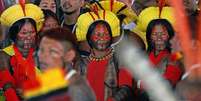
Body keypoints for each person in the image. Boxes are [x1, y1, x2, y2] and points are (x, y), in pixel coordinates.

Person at [75, 10, 137, 101]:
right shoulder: (81, 64)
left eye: (106, 34)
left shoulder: (120, 59)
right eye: (97, 34)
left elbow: (126, 88)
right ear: (89, 38)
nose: (102, 38)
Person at [37, 27, 96, 101]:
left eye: (52, 51)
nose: (43, 56)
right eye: (41, 50)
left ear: (69, 56)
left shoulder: (76, 90)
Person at [0, 3, 44, 100]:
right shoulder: (4, 55)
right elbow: (7, 84)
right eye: (24, 33)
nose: (29, 36)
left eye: (32, 32)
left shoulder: (43, 53)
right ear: (14, 34)